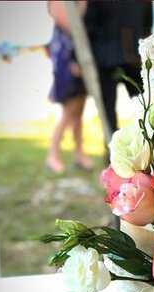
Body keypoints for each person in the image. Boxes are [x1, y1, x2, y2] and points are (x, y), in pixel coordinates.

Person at [83, 0, 153, 135]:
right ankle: (151, 143)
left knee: (108, 111)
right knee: (145, 106)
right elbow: (147, 28)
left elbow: (89, 27)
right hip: (132, 56)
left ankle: (113, 149)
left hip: (106, 58)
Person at [46, 0, 93, 173]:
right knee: (69, 112)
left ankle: (79, 154)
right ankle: (53, 155)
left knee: (78, 112)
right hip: (68, 61)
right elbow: (67, 23)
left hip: (79, 58)